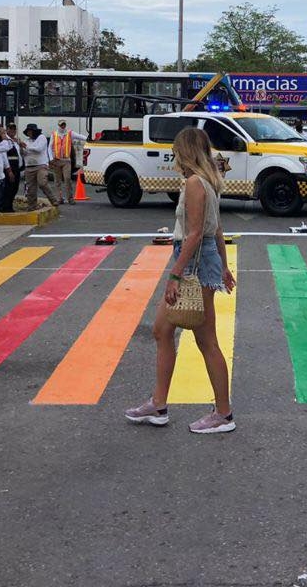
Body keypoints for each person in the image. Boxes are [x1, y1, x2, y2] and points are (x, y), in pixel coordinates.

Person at [125, 127, 237, 435]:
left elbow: (196, 233)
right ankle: (158, 405)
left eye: (176, 149)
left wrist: (175, 274)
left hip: (194, 265)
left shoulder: (194, 183)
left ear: (184, 151)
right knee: (162, 330)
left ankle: (224, 414)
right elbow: (216, 230)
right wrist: (224, 267)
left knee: (206, 340)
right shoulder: (207, 181)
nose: (173, 154)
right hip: (202, 261)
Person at [22, 123, 58, 209]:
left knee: (42, 183)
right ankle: (32, 206)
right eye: (28, 132)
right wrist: (24, 148)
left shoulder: (41, 138)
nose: (29, 134)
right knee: (31, 188)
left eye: (30, 132)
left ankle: (53, 199)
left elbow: (39, 149)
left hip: (41, 165)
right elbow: (24, 152)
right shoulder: (27, 140)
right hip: (29, 166)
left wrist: (26, 147)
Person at [51, 120, 75, 204]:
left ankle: (70, 198)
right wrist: (51, 158)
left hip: (66, 160)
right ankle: (59, 198)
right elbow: (50, 147)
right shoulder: (54, 134)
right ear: (58, 125)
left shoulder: (69, 133)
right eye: (61, 125)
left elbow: (80, 136)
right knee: (57, 180)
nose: (63, 126)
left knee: (67, 178)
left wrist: (90, 138)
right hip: (56, 160)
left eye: (64, 124)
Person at [2, 122, 23, 213]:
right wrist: (9, 170)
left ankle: (9, 206)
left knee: (14, 188)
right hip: (10, 168)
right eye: (10, 129)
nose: (12, 131)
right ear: (7, 130)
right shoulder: (5, 141)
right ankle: (6, 207)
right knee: (9, 188)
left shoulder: (16, 141)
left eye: (14, 129)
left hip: (17, 168)